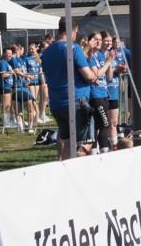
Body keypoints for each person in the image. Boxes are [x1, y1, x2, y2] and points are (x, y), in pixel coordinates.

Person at [40, 18, 105, 160]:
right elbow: (89, 76)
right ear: (72, 31)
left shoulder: (46, 52)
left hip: (57, 103)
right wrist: (96, 74)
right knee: (85, 143)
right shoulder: (74, 48)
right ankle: (77, 172)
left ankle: (63, 171)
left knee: (67, 142)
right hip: (76, 102)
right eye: (76, 32)